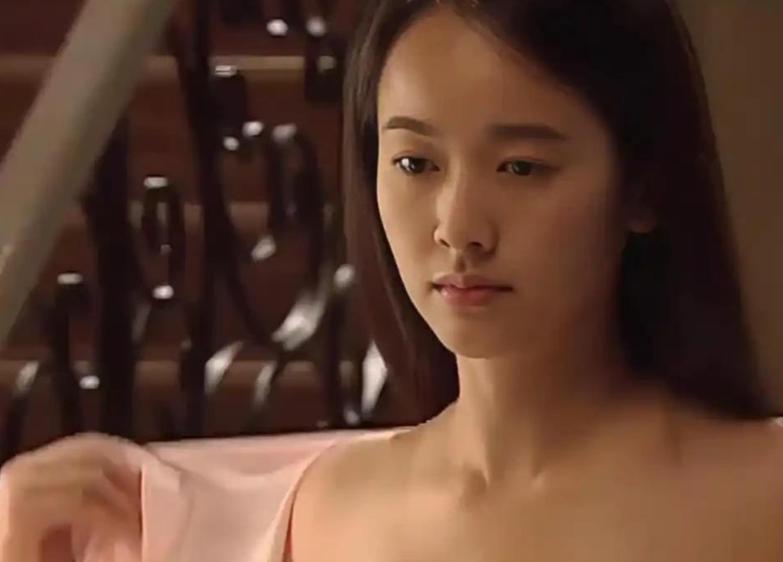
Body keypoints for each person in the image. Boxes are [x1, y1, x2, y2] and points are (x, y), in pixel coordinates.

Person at [3, 0, 782, 561]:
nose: (458, 226)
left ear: (640, 186)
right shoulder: (297, 517)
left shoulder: (760, 495)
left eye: (521, 167)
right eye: (415, 163)